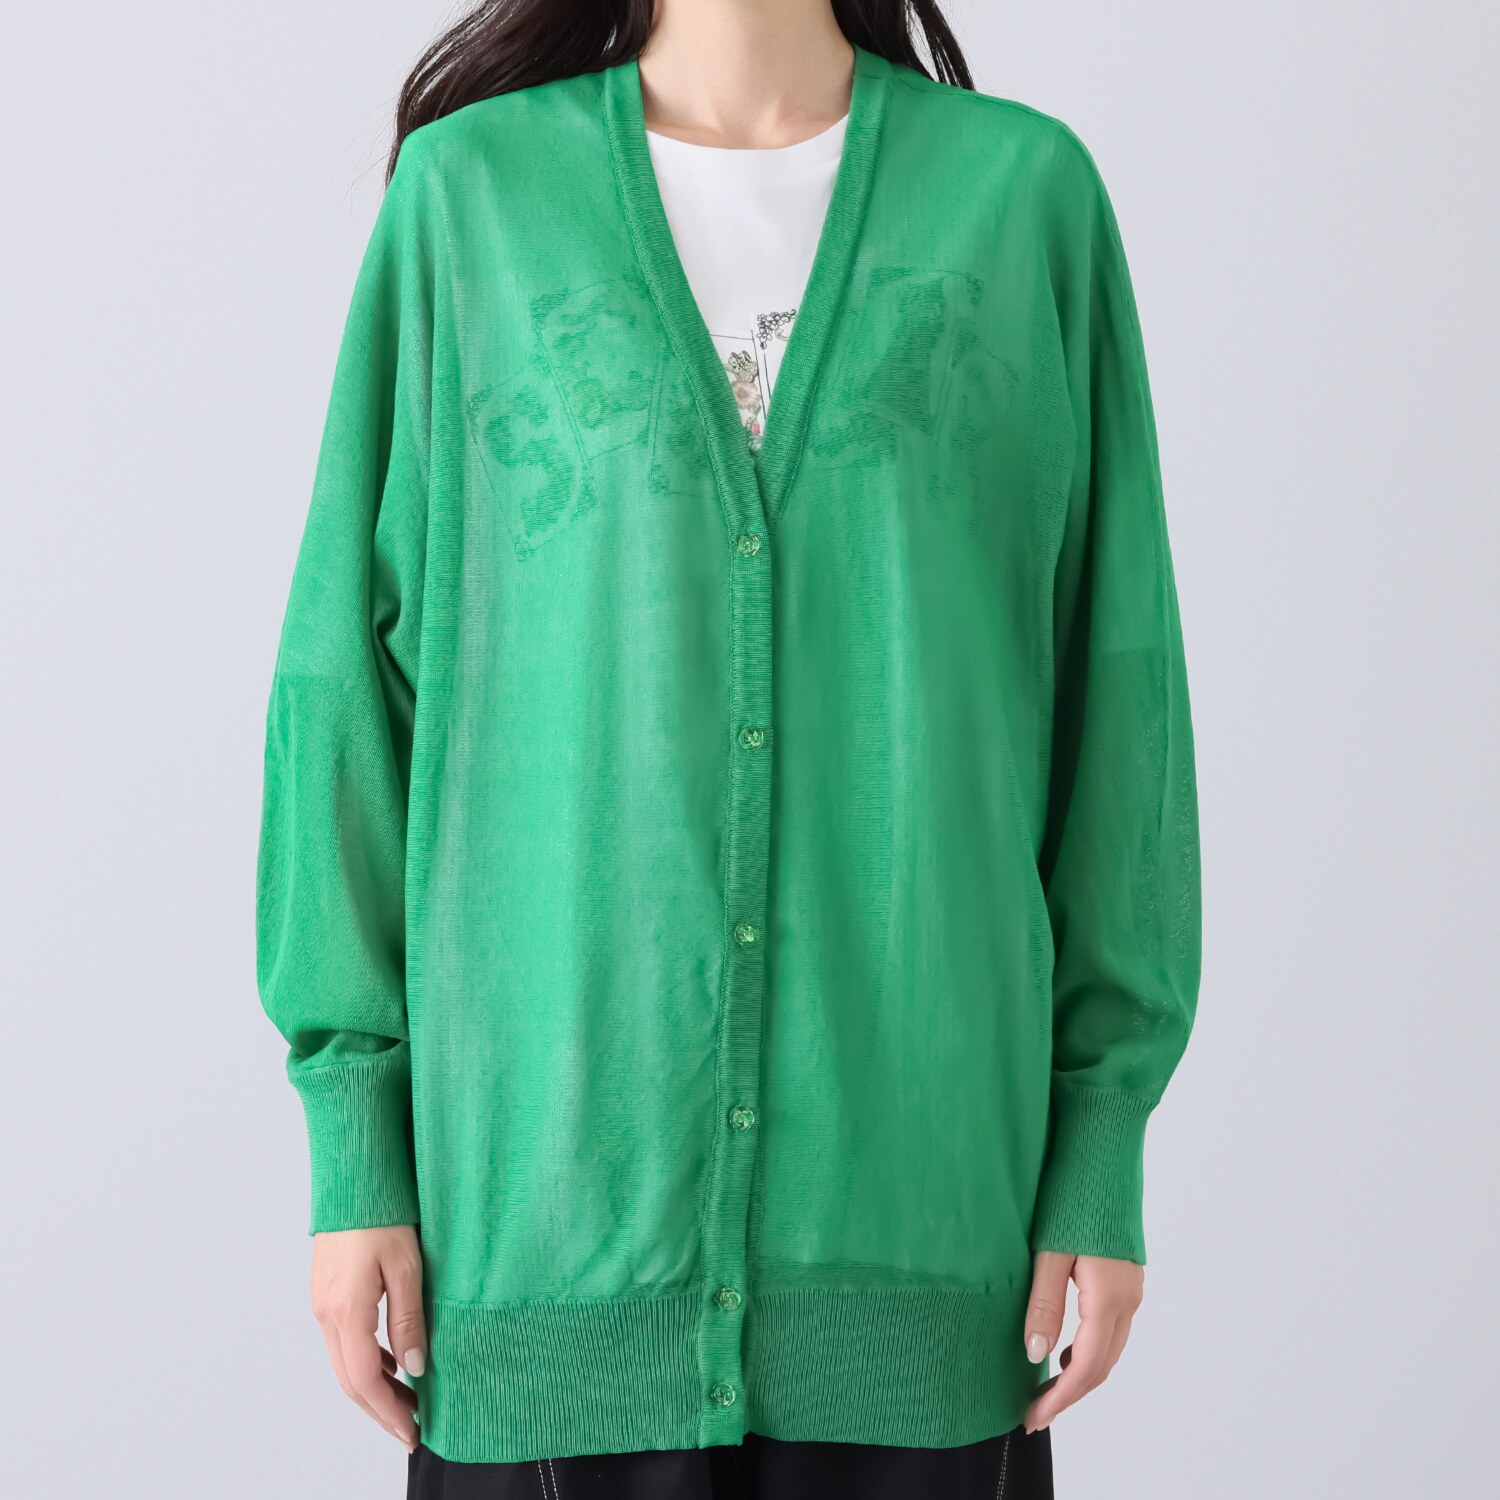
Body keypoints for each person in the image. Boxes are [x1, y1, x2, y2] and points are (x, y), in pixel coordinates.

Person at [255, 1, 1202, 1495]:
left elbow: (1120, 683)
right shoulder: (471, 201)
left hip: (923, 1230)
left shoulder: (1023, 200)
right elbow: (343, 689)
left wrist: (1101, 1138)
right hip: (544, 1238)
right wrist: (354, 1138)